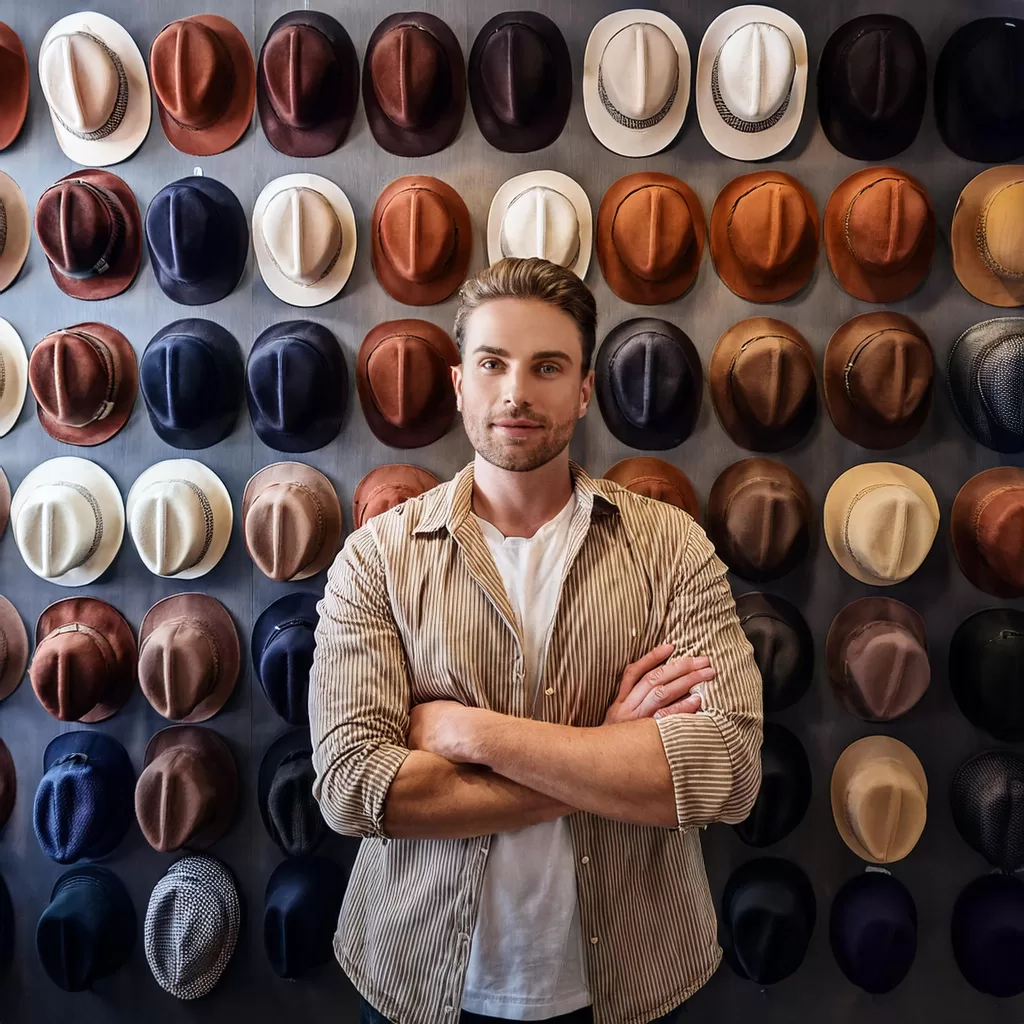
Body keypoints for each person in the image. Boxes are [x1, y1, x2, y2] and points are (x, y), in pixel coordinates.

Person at [309, 257, 764, 1024]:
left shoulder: (669, 546)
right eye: (493, 363)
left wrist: (468, 731)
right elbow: (353, 787)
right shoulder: (378, 557)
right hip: (420, 973)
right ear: (459, 383)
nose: (517, 392)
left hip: (633, 975)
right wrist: (611, 751)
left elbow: (725, 771)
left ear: (584, 390)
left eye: (547, 366)